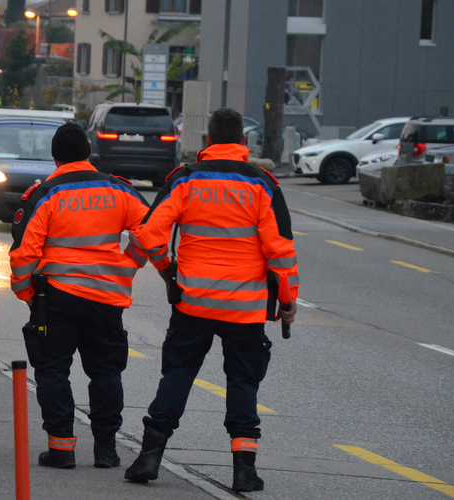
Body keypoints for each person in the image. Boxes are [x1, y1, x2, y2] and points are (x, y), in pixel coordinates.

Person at [124, 107, 299, 492]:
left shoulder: (185, 180)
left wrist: (169, 271)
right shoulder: (263, 184)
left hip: (193, 303)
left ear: (207, 141)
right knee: (242, 382)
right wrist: (287, 301)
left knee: (179, 374)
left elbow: (149, 234)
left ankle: (149, 456)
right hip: (246, 309)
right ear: (242, 142)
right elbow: (280, 253)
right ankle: (243, 470)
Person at [9, 123, 152, 469]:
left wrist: (28, 294)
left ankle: (61, 449)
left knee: (53, 372)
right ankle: (106, 450)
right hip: (106, 300)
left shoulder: (45, 193)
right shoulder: (119, 190)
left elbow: (23, 255)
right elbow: (152, 233)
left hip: (56, 299)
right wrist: (129, 264)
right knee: (105, 374)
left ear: (55, 158)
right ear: (89, 154)